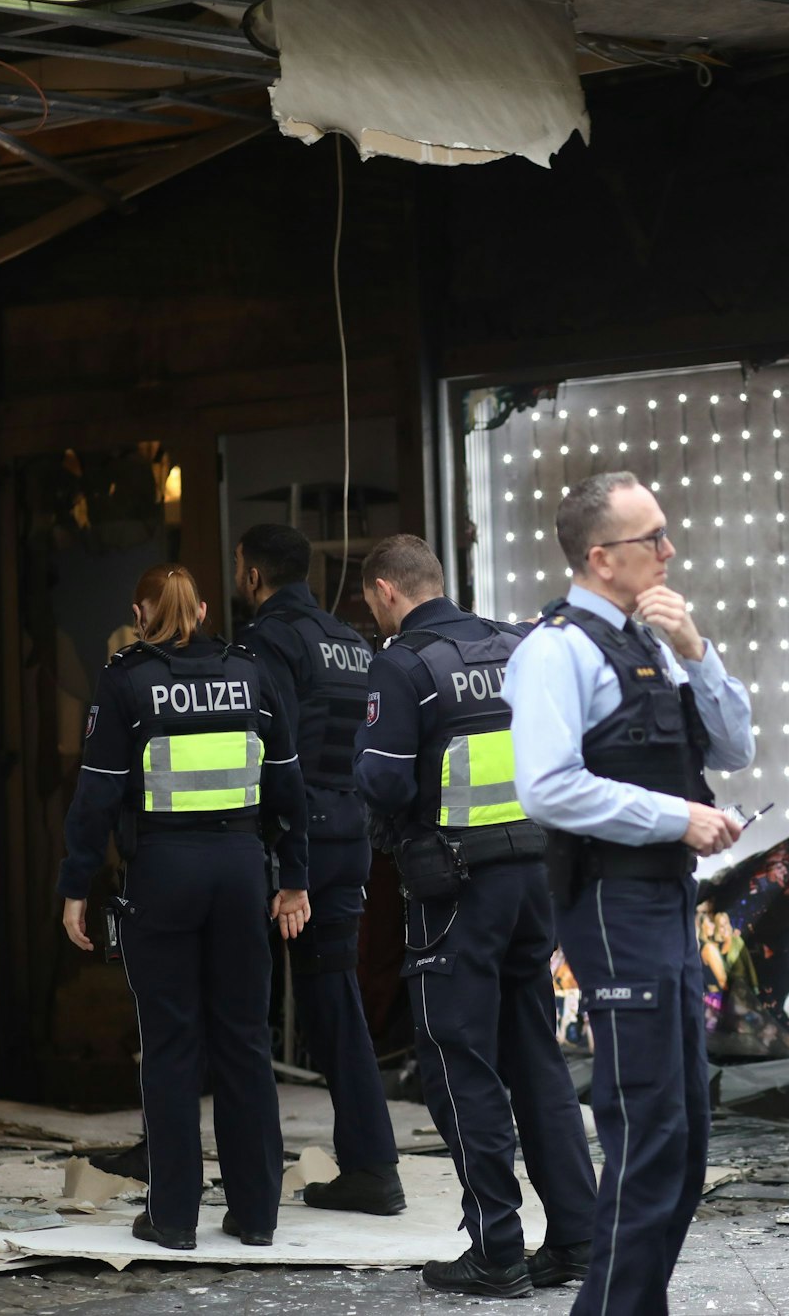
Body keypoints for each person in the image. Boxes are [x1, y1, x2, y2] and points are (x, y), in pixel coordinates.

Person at [502, 471, 755, 1316]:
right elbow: (547, 788)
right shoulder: (556, 651)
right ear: (602, 557)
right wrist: (678, 818)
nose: (670, 550)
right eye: (653, 538)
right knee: (648, 1129)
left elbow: (735, 748)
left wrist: (699, 650)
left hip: (666, 901)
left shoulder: (654, 641)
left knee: (681, 1136)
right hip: (612, 900)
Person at [353, 534, 597, 1299]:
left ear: (386, 591)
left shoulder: (403, 665)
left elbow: (384, 784)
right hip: (534, 879)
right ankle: (580, 1238)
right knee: (535, 1057)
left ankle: (496, 1249)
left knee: (460, 1063)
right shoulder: (516, 645)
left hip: (456, 892)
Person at [57, 564, 311, 1251]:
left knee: (170, 1045)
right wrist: (294, 877)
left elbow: (96, 796)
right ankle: (256, 1215)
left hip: (163, 873)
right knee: (245, 1042)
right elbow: (289, 786)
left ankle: (173, 1218)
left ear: (140, 614)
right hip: (241, 872)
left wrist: (76, 886)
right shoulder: (252, 672)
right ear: (201, 611)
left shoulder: (127, 680)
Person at [233, 523, 405, 1215]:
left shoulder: (268, 642)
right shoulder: (351, 640)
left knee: (241, 1005)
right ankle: (372, 1166)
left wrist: (285, 864)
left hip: (290, 847)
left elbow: (271, 753)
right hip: (348, 837)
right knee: (335, 1002)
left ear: (252, 575)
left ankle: (251, 1183)